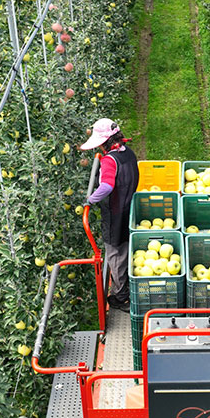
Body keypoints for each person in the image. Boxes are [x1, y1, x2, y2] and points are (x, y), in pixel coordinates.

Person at [80, 118, 139, 313]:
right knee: (126, 249)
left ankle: (121, 296)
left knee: (115, 255)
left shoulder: (109, 160)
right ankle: (129, 286)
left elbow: (106, 186)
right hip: (129, 208)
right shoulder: (128, 154)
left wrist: (91, 199)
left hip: (115, 215)